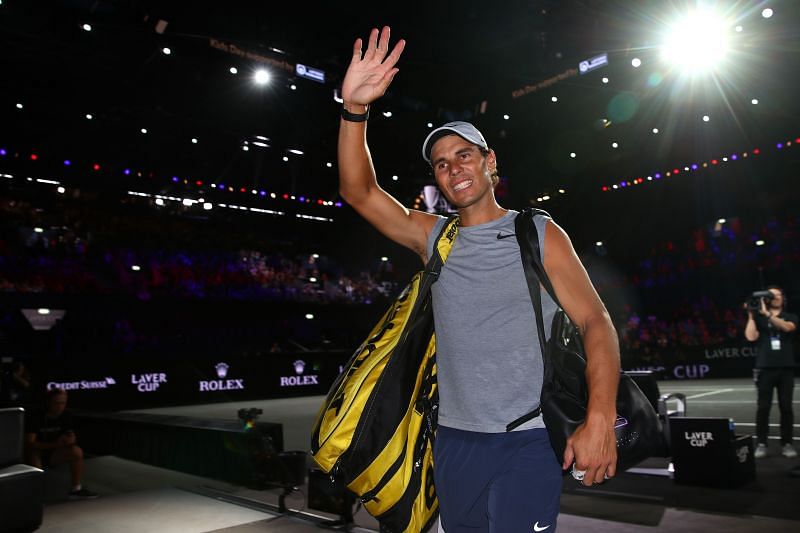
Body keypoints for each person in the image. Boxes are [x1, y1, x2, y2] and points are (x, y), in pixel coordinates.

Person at [337, 26, 620, 531]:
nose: (453, 169)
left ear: (490, 163)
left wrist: (600, 415)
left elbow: (596, 322)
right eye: (441, 164)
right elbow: (359, 192)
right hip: (454, 440)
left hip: (529, 439)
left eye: (464, 155)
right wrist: (353, 109)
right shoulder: (434, 238)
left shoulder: (539, 233)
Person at [745, 286, 798, 459]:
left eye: (778, 295)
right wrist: (752, 316)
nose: (775, 297)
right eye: (771, 295)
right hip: (765, 368)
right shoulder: (760, 319)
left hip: (786, 368)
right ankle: (761, 443)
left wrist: (768, 315)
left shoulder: (790, 316)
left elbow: (787, 328)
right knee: (763, 407)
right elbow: (751, 337)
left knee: (786, 407)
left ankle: (787, 443)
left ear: (783, 298)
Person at [24, 387, 99, 499]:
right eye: (56, 403)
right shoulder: (35, 416)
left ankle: (76, 489)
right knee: (33, 453)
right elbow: (30, 443)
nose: (60, 406)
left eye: (63, 403)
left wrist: (71, 439)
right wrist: (55, 444)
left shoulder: (66, 415)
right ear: (48, 402)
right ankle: (33, 495)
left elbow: (70, 434)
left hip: (54, 452)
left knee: (76, 452)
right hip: (35, 453)